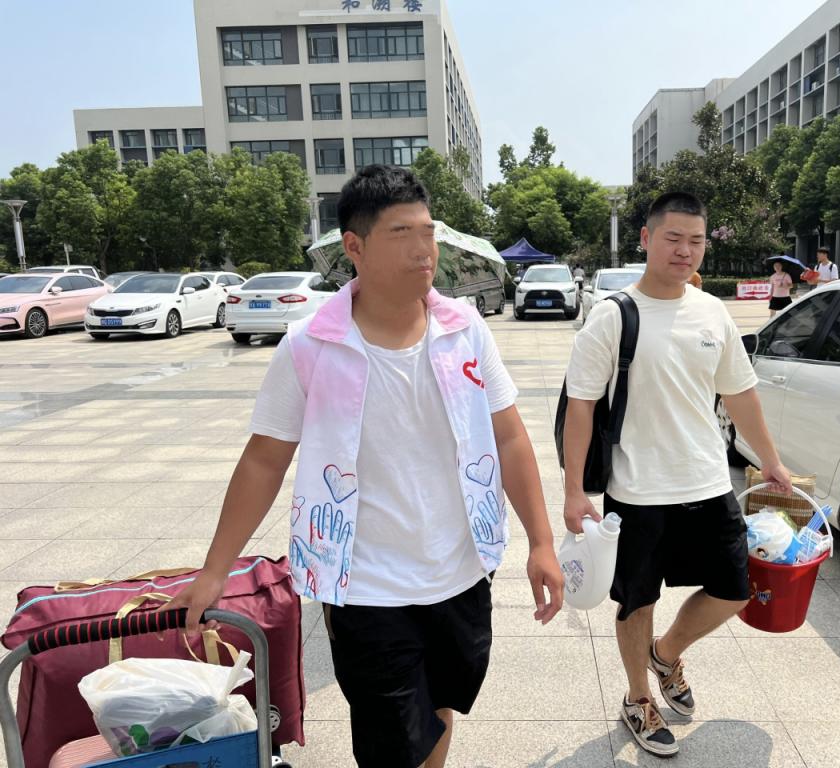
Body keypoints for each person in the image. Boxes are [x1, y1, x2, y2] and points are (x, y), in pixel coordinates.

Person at [166, 165, 564, 768]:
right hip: (365, 586)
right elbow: (264, 461)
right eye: (402, 233)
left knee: (440, 706)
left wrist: (541, 542)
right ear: (355, 246)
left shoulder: (466, 331)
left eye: (428, 232)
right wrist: (215, 570)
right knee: (389, 743)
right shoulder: (310, 345)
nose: (424, 249)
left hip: (462, 570)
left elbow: (508, 437)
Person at [560, 191, 792, 758]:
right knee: (636, 600)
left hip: (708, 481)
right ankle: (638, 696)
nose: (685, 251)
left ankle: (663, 655)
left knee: (734, 590)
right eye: (673, 238)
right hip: (636, 490)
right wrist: (572, 491)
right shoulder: (613, 316)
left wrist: (770, 459)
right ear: (646, 239)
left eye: (696, 241)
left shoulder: (712, 311)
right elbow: (581, 406)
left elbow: (740, 394)